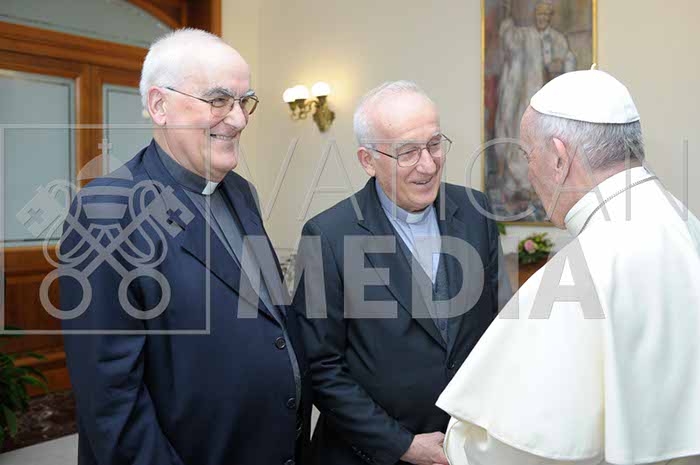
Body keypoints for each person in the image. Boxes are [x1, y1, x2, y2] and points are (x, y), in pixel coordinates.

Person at [59, 29, 310, 465]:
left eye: (244, 101)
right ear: (160, 106)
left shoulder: (240, 192)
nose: (238, 119)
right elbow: (111, 401)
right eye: (219, 100)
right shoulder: (106, 210)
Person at [438, 70, 700, 465]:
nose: (529, 173)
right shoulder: (681, 219)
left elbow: (519, 451)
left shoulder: (584, 269)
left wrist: (459, 441)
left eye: (529, 156)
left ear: (559, 158)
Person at [292, 81, 511, 465]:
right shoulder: (327, 235)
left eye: (434, 144)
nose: (428, 165)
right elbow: (322, 368)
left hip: (467, 447)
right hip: (371, 455)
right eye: (408, 152)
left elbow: (498, 328)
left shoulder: (475, 211)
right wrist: (402, 445)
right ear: (367, 160)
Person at [494, 0, 577, 217]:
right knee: (521, 143)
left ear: (550, 18)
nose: (541, 19)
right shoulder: (526, 37)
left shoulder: (558, 40)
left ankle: (546, 194)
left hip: (552, 105)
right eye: (539, 15)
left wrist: (561, 66)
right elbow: (510, 44)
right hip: (528, 97)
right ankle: (522, 188)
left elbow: (569, 62)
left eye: (545, 16)